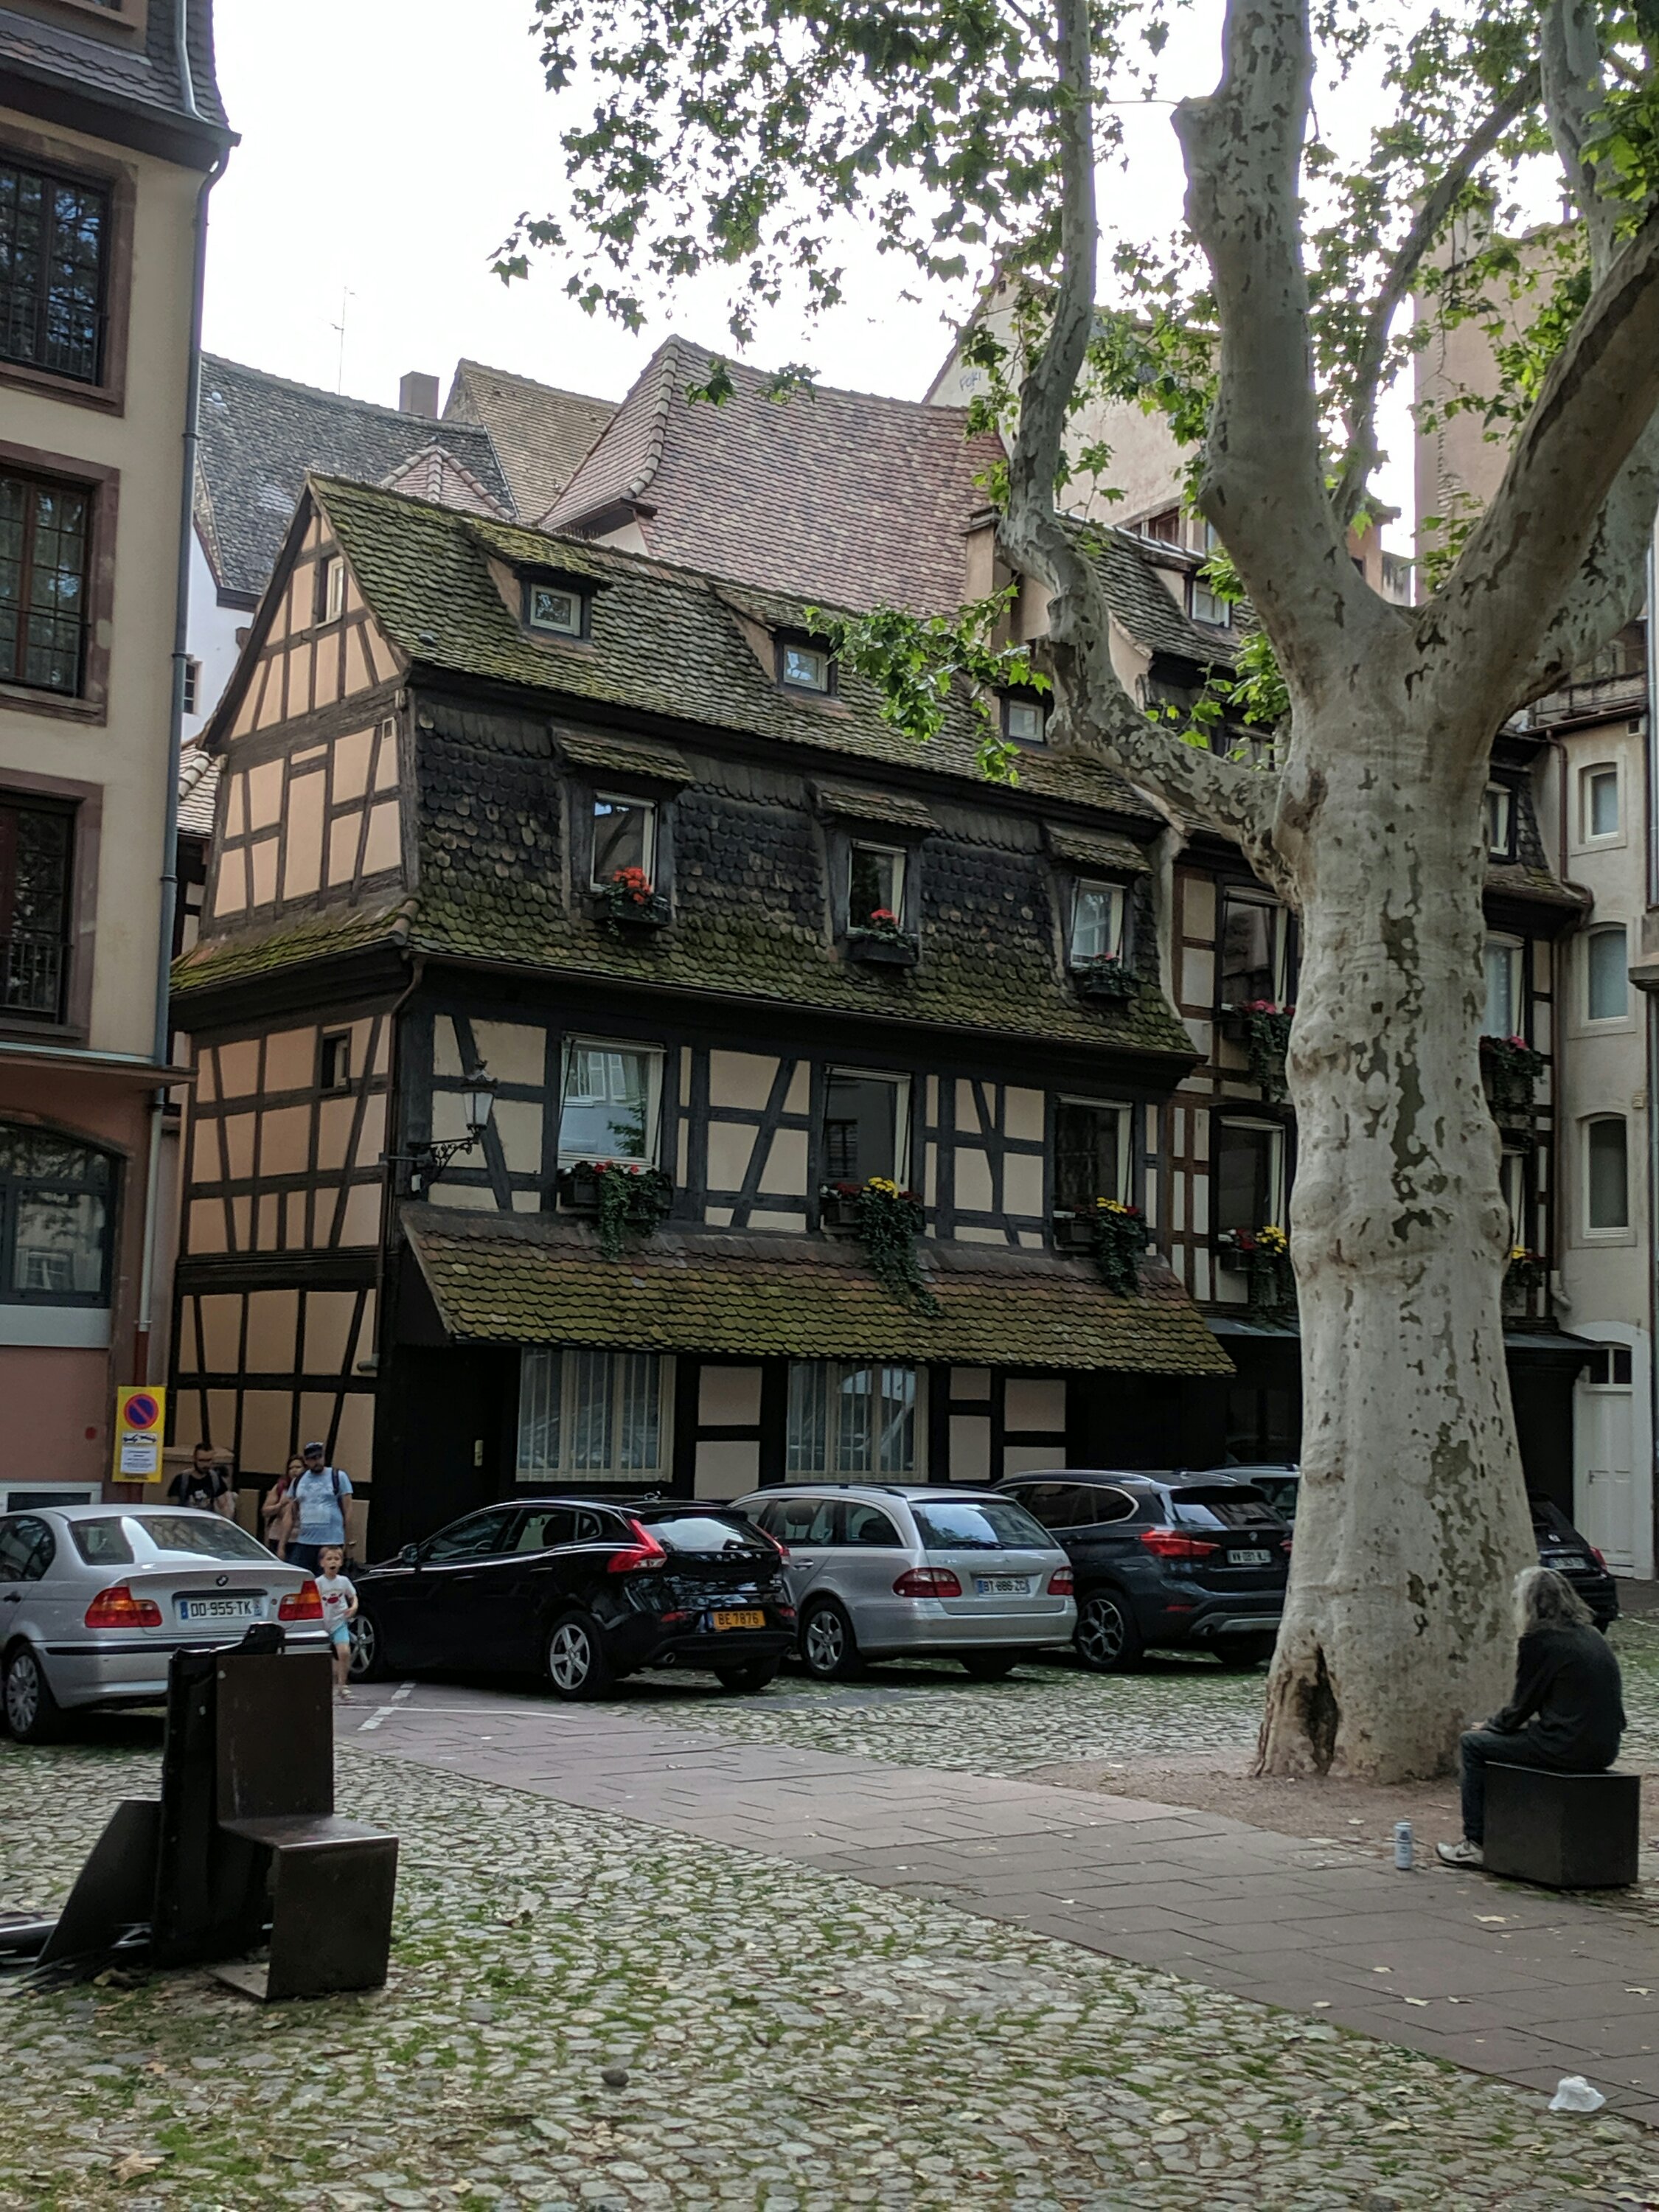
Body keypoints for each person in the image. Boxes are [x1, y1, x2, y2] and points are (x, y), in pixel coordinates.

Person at [1438, 1565, 1625, 1870]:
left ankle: (1475, 1843)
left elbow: (1519, 1708)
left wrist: (1490, 1726)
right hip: (1604, 1746)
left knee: (1472, 1744)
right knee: (1499, 1739)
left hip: (1567, 1746)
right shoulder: (1591, 1634)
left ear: (1528, 1603)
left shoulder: (1540, 1641)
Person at [287, 1441, 353, 1574]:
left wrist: (348, 1540)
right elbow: (290, 1513)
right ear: (306, 1461)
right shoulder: (299, 1480)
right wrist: (283, 1544)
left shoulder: (338, 1476)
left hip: (332, 1540)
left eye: (319, 1457)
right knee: (300, 1577)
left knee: (328, 1579)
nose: (317, 1461)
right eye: (312, 1459)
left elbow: (348, 1509)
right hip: (305, 1541)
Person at [315, 1544, 358, 1702]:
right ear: (322, 1563)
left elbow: (353, 1596)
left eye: (337, 1558)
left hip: (339, 1622)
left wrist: (353, 1607)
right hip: (322, 1623)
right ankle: (328, 1682)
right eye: (329, 1559)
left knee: (344, 1652)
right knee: (322, 1657)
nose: (333, 1562)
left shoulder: (344, 1581)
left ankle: (343, 1685)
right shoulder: (318, 1583)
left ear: (341, 1562)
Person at [169, 1441, 234, 1517]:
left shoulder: (215, 1479)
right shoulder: (181, 1479)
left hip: (208, 1522)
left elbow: (224, 1506)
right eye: (202, 1460)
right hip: (186, 1522)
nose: (205, 1465)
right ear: (194, 1459)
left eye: (209, 1460)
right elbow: (172, 1509)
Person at [261, 1456, 305, 1560]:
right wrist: (280, 1505)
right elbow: (265, 1511)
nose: (294, 1470)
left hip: (301, 1539)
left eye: (298, 1467)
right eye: (291, 1468)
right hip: (278, 1536)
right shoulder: (281, 1487)